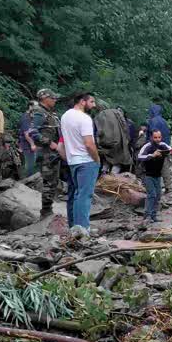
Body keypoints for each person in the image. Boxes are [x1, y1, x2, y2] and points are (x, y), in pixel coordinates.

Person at [61, 93, 100, 238]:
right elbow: (89, 144)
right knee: (85, 195)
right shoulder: (84, 118)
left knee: (77, 194)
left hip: (72, 161)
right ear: (82, 102)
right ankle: (83, 228)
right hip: (86, 160)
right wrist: (97, 159)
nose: (94, 105)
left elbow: (63, 142)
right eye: (92, 101)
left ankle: (75, 227)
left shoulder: (65, 116)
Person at [27, 89, 62, 218]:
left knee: (53, 182)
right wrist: (49, 143)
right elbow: (33, 132)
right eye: (53, 98)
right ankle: (46, 212)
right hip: (46, 153)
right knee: (48, 182)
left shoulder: (50, 113)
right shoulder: (39, 113)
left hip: (53, 153)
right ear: (45, 98)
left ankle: (48, 210)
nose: (55, 100)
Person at [136, 130, 172, 224]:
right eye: (155, 137)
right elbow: (139, 156)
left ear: (161, 137)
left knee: (158, 195)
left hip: (158, 175)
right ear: (151, 137)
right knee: (151, 194)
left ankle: (153, 216)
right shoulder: (147, 146)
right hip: (147, 174)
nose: (157, 139)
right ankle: (147, 216)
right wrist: (152, 155)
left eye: (159, 137)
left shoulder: (163, 145)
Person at [94, 104, 132, 174]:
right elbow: (124, 124)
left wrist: (99, 143)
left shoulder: (97, 117)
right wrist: (127, 138)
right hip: (118, 141)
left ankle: (104, 177)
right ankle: (112, 178)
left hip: (104, 143)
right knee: (117, 162)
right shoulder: (115, 112)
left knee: (106, 161)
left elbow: (97, 132)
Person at [146, 104, 171, 189]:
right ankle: (168, 187)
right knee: (165, 167)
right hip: (165, 147)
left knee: (153, 168)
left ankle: (155, 187)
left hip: (156, 147)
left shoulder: (153, 121)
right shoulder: (164, 121)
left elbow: (152, 135)